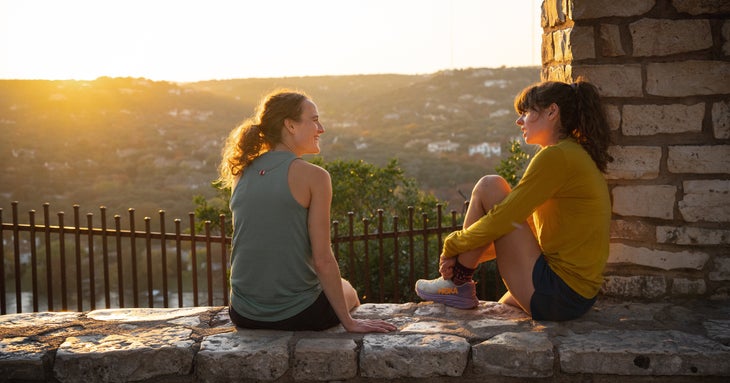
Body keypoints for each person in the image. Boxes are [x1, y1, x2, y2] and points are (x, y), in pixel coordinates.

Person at [415, 79, 613, 321]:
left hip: (559, 294)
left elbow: (504, 218)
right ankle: (459, 279)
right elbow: (523, 227)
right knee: (501, 308)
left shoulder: (556, 156)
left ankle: (457, 283)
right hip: (577, 296)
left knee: (490, 185)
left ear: (552, 111)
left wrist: (453, 245)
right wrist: (462, 254)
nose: (519, 121)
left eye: (527, 112)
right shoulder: (571, 154)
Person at [218, 90, 396, 333]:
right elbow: (322, 259)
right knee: (350, 291)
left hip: (243, 313)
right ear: (290, 125)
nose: (320, 128)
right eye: (314, 120)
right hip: (300, 314)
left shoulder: (241, 172)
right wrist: (350, 322)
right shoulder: (315, 177)